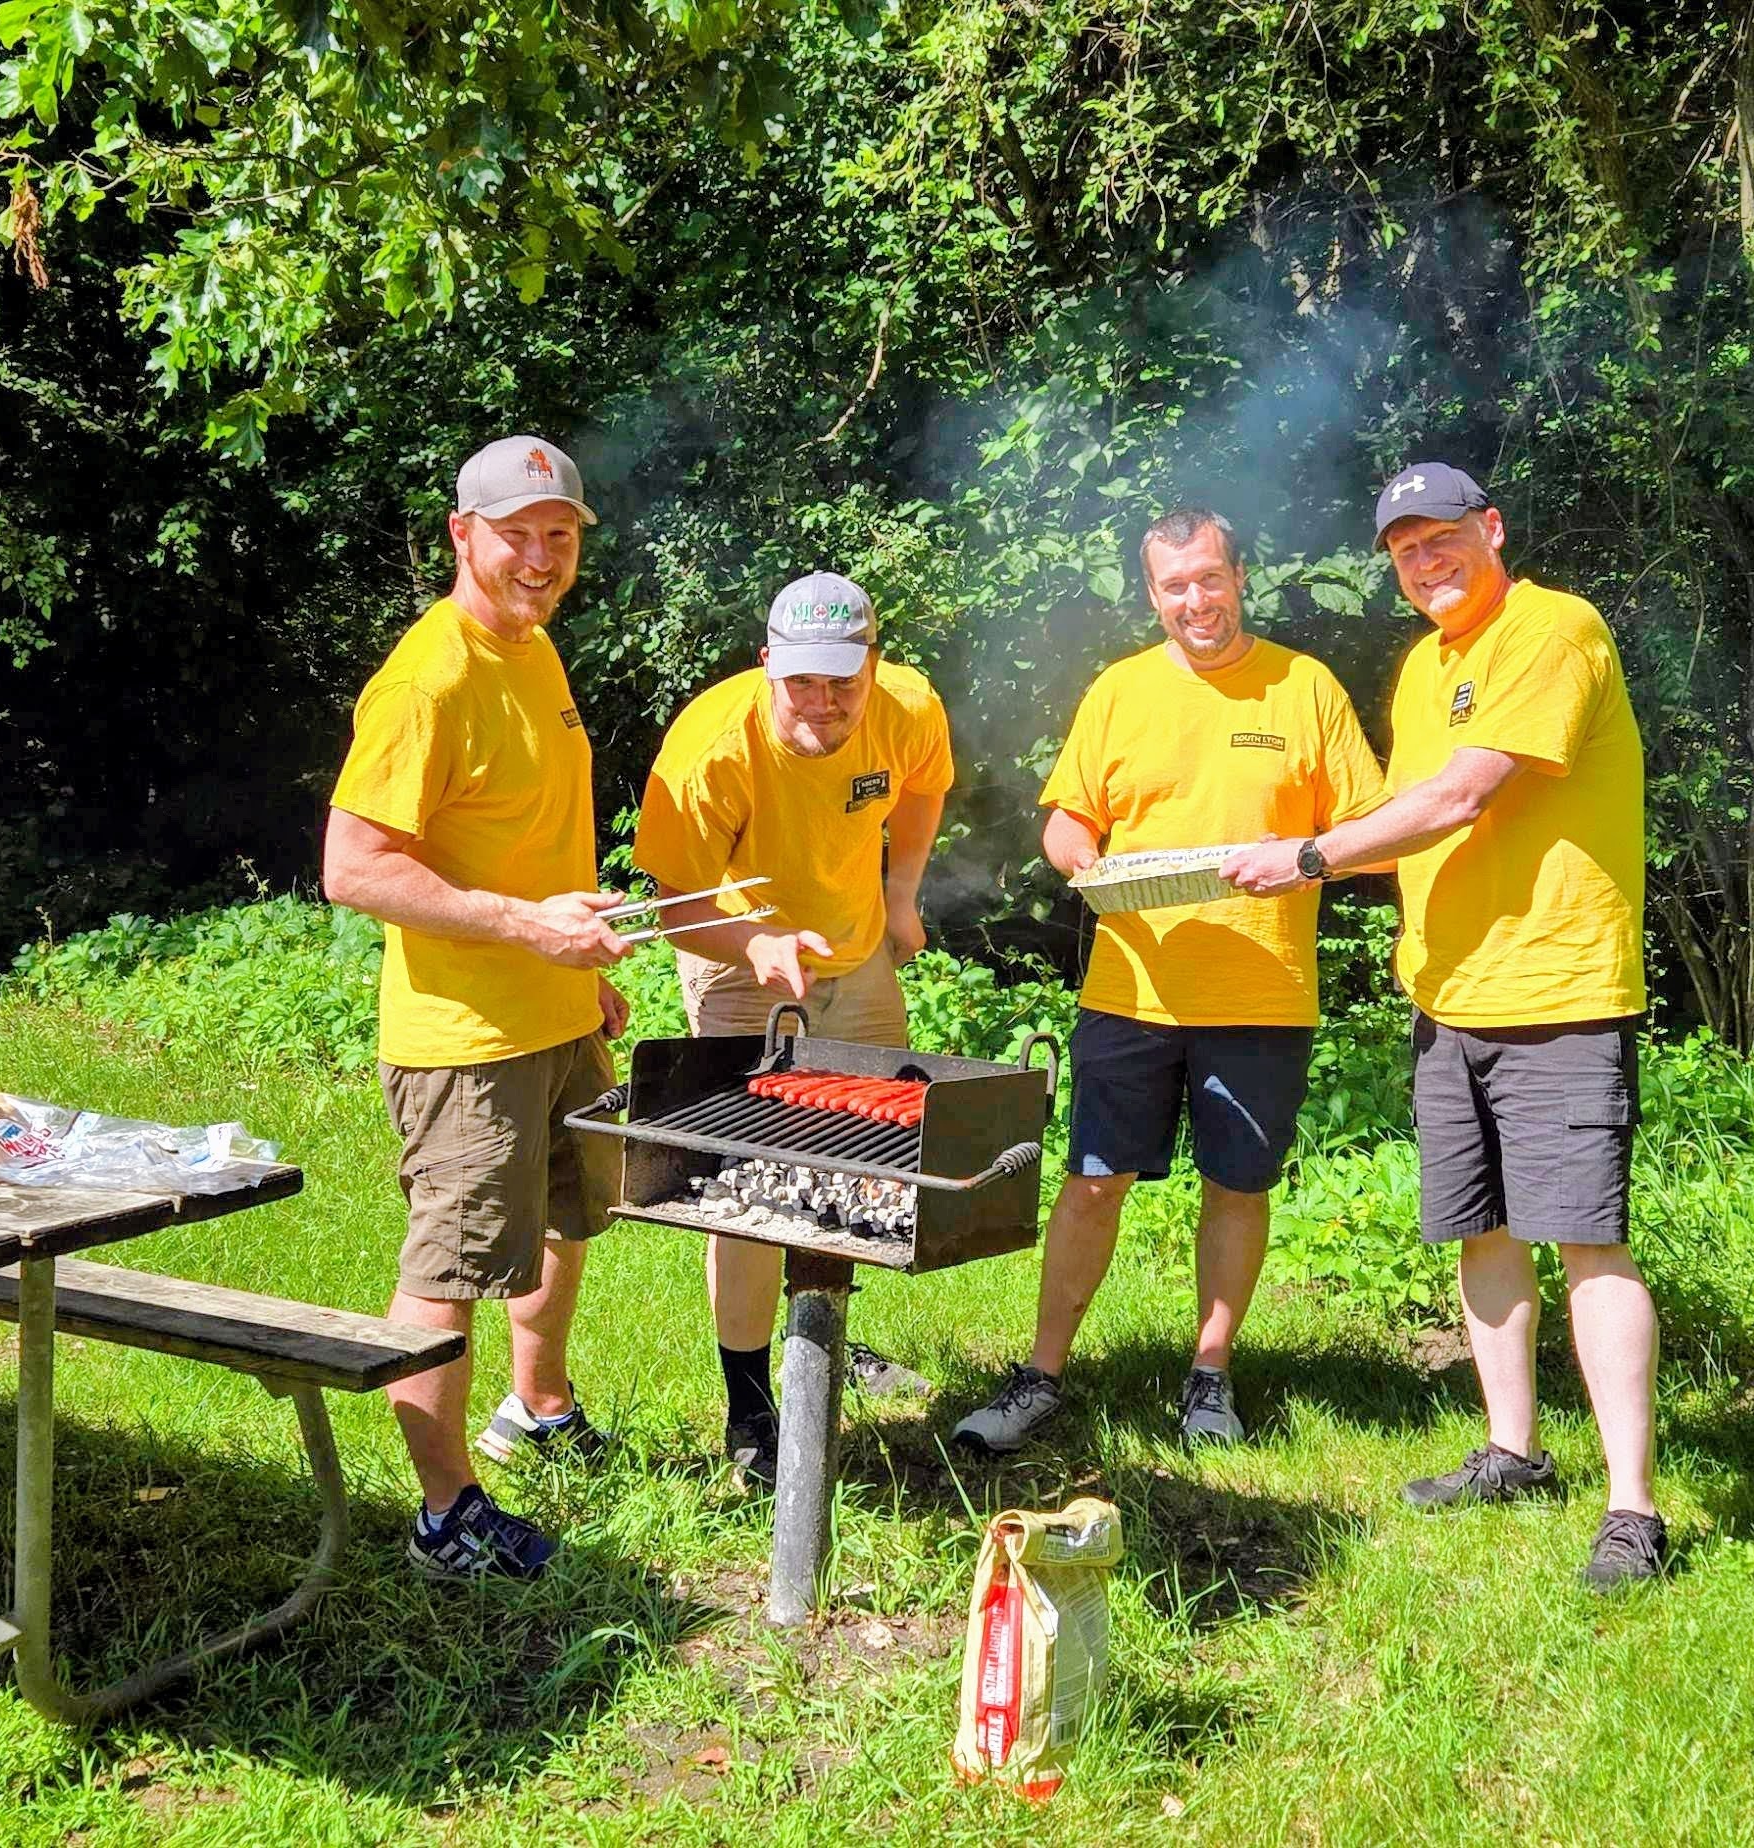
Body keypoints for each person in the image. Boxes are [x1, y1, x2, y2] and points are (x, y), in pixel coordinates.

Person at [1224, 462, 1666, 1587]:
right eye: (1405, 551)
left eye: (1442, 539)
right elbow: (1397, 815)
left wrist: (1309, 857)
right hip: (1449, 992)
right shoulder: (1424, 668)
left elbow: (1465, 794)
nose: (1426, 564)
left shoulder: (1551, 630)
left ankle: (1632, 1510)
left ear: (1492, 529)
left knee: (1588, 1239)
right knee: (1482, 1231)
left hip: (1557, 988)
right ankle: (1513, 1451)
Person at [952, 508, 1383, 1454]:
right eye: (1175, 585)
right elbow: (1068, 816)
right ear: (1152, 595)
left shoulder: (1305, 687)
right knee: (1092, 1183)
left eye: (1210, 578)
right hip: (1131, 990)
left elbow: (1370, 833)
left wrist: (1304, 857)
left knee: (1236, 1185)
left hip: (1261, 992)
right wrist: (1081, 859)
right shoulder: (1121, 689)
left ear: (1240, 577)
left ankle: (1210, 1378)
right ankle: (1041, 1376)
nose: (1196, 600)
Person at [321, 434, 633, 1580]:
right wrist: (529, 930)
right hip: (464, 1042)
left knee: (565, 1220)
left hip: (556, 1016)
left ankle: (538, 1406)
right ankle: (444, 1512)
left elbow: (525, 843)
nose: (541, 558)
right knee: (448, 1270)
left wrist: (578, 969)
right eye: (516, 535)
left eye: (559, 536)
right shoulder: (428, 680)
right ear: (463, 535)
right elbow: (353, 870)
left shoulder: (534, 650)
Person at [630, 571, 952, 1481]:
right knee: (750, 1182)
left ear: (873, 666)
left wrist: (900, 893)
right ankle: (750, 1407)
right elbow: (675, 909)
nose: (822, 702)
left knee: (859, 1159)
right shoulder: (710, 751)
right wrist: (757, 942)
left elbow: (923, 787)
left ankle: (821, 1341)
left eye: (842, 682)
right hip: (739, 958)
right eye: (800, 681)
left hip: (856, 952)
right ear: (767, 663)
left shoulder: (907, 707)